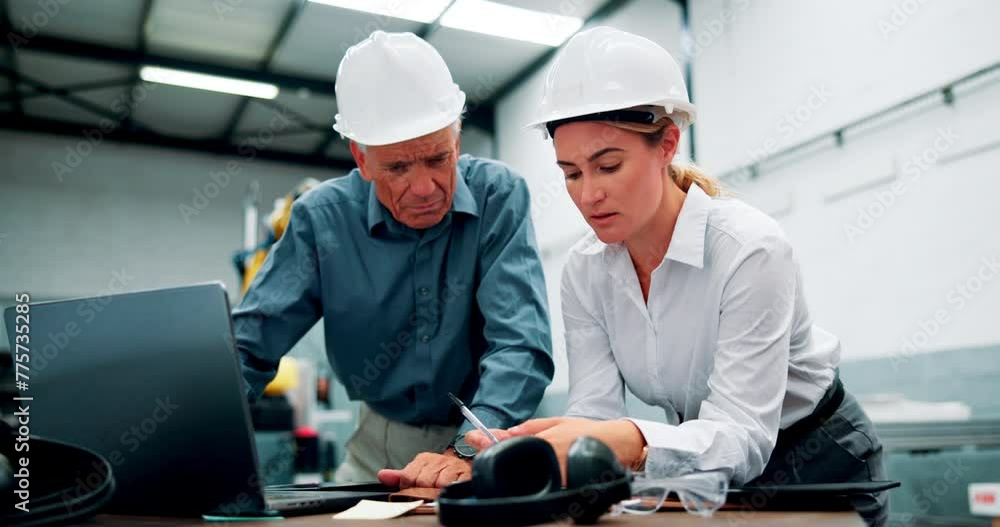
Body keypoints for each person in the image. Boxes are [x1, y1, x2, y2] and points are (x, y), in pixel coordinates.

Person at [466, 27, 887, 525]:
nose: (587, 195)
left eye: (608, 166)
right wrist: (561, 445)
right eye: (571, 173)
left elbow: (743, 434)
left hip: (817, 454)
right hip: (704, 457)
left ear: (667, 143)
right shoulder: (585, 271)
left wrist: (626, 439)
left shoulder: (749, 250)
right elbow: (595, 410)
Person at [232, 30, 554, 489]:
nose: (424, 187)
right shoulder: (321, 222)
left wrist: (467, 449)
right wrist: (198, 441)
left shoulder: (498, 198)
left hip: (492, 440)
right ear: (361, 160)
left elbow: (520, 346)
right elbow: (249, 346)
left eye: (438, 158)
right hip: (377, 452)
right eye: (398, 168)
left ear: (457, 140)